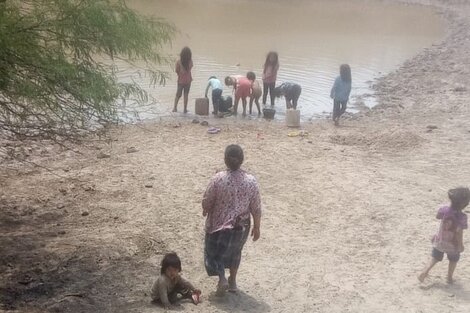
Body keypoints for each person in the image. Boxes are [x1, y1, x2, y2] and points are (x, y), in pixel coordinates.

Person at [202, 144, 262, 296]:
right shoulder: (251, 181)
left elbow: (207, 200)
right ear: (241, 160)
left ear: (225, 160)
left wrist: (205, 209)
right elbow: (256, 207)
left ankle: (222, 278)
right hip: (241, 227)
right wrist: (257, 227)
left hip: (219, 226)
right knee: (235, 252)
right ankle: (233, 281)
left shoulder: (218, 179)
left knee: (212, 253)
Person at [418, 187, 470, 284]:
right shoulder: (462, 217)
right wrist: (460, 245)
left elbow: (438, 216)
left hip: (440, 241)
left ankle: (424, 272)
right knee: (453, 260)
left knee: (435, 258)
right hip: (453, 245)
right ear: (465, 204)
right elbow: (459, 233)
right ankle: (449, 278)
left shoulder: (444, 209)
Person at [173, 47, 193, 113]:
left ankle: (175, 108)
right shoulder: (190, 61)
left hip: (181, 81)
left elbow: (176, 70)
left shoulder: (179, 62)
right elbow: (191, 67)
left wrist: (180, 74)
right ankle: (185, 109)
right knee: (186, 95)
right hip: (188, 81)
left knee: (178, 95)